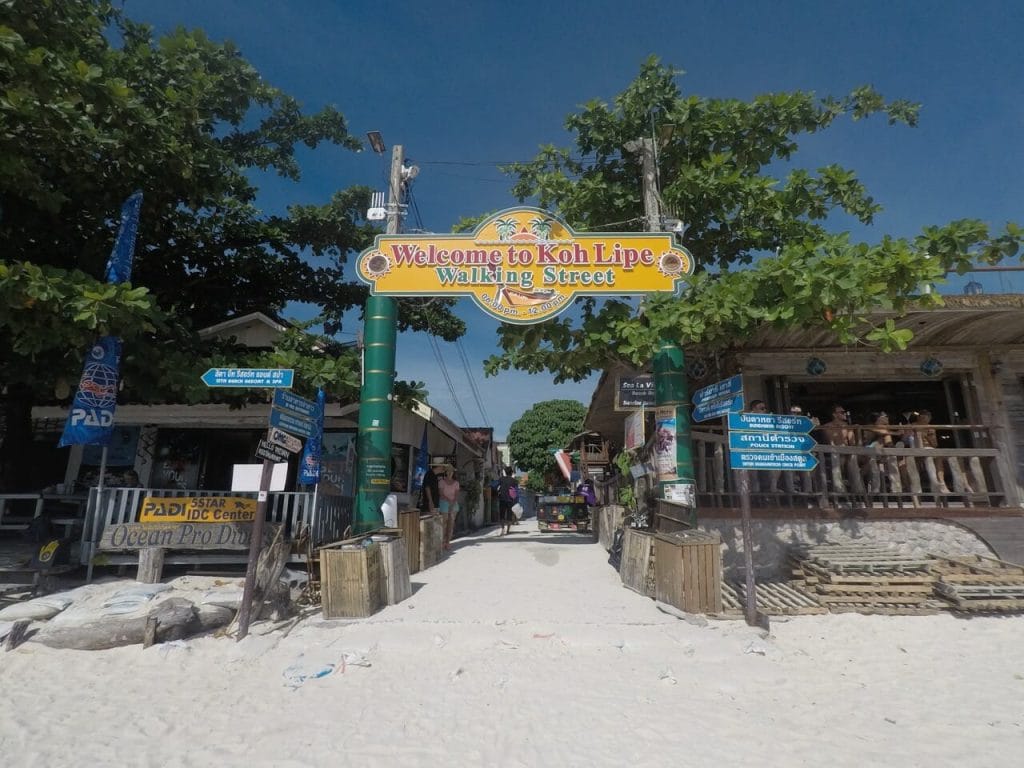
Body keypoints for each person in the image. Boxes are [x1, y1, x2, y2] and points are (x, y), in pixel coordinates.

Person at [437, 464, 460, 551]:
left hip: (453, 504)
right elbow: (441, 494)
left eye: (451, 471)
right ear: (446, 472)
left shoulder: (456, 483)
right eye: (448, 471)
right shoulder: (441, 482)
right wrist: (449, 501)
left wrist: (452, 502)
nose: (450, 473)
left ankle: (448, 542)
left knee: (451, 524)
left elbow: (457, 494)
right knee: (444, 523)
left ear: (453, 473)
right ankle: (442, 541)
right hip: (444, 503)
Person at [496, 465, 519, 536]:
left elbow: (495, 485)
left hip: (502, 499)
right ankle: (508, 530)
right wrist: (516, 501)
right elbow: (516, 492)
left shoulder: (501, 479)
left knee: (502, 515)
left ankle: (503, 529)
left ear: (505, 472)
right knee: (509, 515)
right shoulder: (514, 481)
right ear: (512, 473)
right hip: (510, 500)